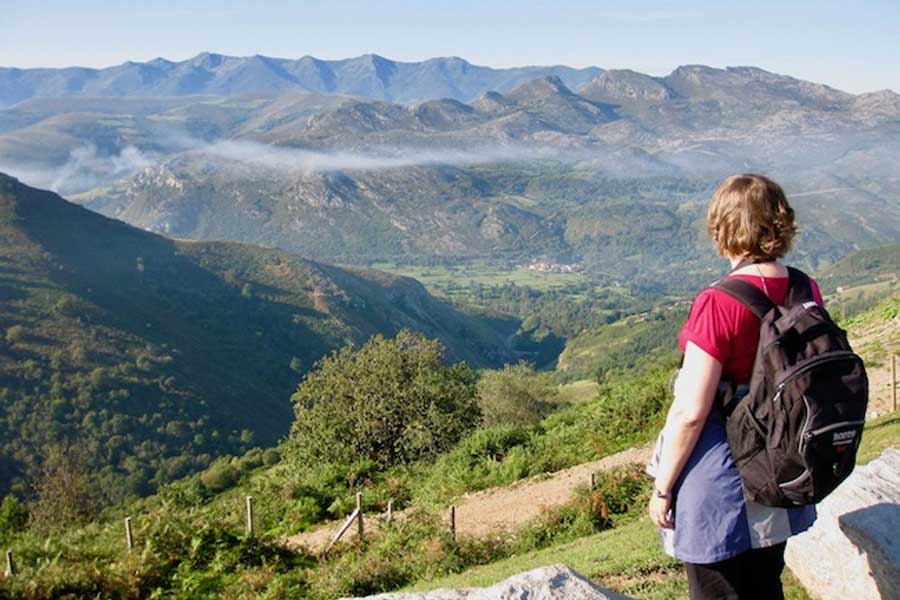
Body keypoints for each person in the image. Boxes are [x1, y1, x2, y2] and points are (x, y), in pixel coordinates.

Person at [647, 174, 821, 599]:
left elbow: (691, 412)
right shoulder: (803, 288)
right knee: (765, 586)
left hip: (721, 477)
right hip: (781, 465)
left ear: (723, 227)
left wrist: (662, 488)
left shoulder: (718, 302)